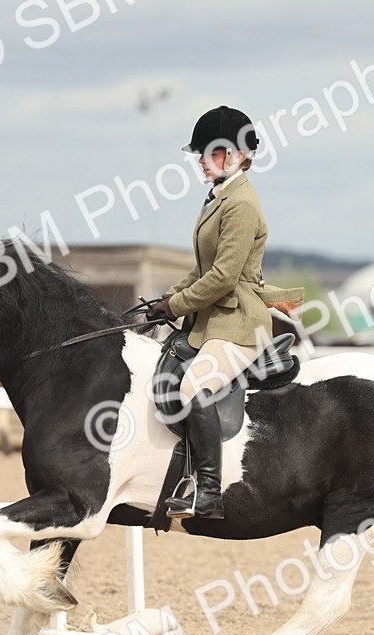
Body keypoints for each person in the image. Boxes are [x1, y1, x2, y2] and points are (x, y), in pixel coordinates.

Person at [146, 105, 303, 520]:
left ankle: (209, 492)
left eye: (208, 152)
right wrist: (166, 298)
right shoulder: (219, 197)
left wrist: (176, 305)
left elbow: (222, 277)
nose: (200, 160)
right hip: (212, 321)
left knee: (194, 389)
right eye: (199, 153)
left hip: (239, 323)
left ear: (234, 155)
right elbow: (202, 269)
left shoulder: (241, 204)